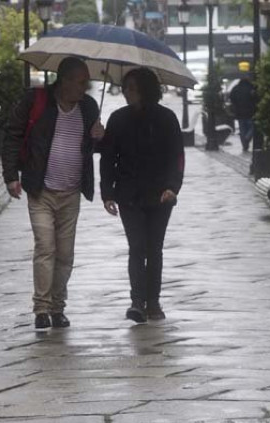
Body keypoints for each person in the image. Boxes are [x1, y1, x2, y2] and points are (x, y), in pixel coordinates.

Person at [2, 57, 105, 330]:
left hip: (71, 192)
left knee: (65, 254)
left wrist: (99, 136)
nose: (85, 87)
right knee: (45, 247)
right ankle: (41, 308)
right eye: (81, 82)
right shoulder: (36, 101)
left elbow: (94, 148)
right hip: (41, 189)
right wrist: (11, 176)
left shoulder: (89, 107)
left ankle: (58, 307)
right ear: (65, 80)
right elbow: (12, 134)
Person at [99, 68, 184, 324]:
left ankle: (153, 300)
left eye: (132, 88)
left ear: (146, 90)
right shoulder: (118, 118)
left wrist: (173, 187)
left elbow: (176, 157)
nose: (127, 93)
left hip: (160, 195)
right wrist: (107, 192)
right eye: (125, 88)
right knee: (137, 247)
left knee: (154, 248)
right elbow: (107, 158)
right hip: (129, 195)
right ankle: (137, 301)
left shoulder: (166, 118)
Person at [229, 72, 256, 153]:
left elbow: (231, 98)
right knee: (253, 128)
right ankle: (247, 139)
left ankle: (245, 145)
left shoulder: (236, 88)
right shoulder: (251, 88)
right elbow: (256, 98)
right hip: (250, 112)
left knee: (242, 129)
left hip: (239, 113)